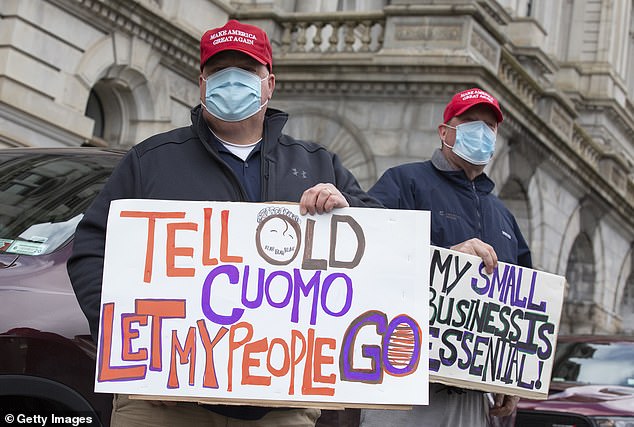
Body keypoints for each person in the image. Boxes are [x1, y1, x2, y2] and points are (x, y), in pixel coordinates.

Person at [68, 19, 381, 427]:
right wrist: (131, 347)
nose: (232, 81)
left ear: (270, 84)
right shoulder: (152, 160)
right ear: (202, 84)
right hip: (162, 401)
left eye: (247, 71)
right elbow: (93, 250)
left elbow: (381, 250)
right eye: (218, 71)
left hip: (278, 405)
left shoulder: (317, 164)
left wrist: (348, 210)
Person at [360, 88, 531, 427]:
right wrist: (442, 259)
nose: (481, 132)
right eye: (469, 122)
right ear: (444, 132)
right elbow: (366, 253)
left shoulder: (504, 217)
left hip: (472, 396)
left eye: (489, 126)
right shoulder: (403, 182)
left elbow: (522, 303)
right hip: (403, 381)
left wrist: (516, 375)